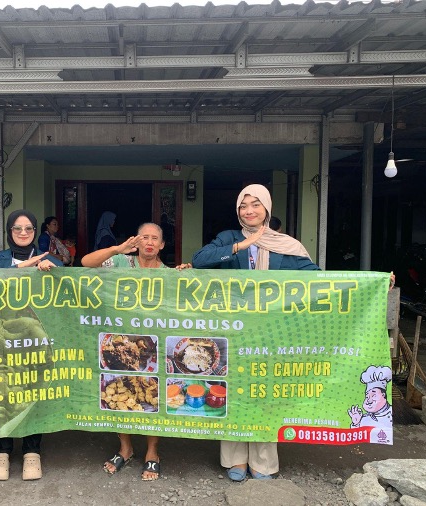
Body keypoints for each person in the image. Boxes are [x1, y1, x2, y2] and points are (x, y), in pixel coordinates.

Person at [191, 184, 319, 481]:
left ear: (267, 208)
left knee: (264, 393)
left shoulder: (287, 245)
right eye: (243, 205)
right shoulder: (228, 238)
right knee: (233, 390)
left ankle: (263, 462)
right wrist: (242, 246)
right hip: (233, 330)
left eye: (255, 204)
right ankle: (235, 460)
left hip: (270, 333)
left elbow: (318, 280)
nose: (249, 211)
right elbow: (199, 260)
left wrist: (372, 281)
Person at [82, 222, 190, 481]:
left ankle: (152, 451)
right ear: (136, 241)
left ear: (162, 245)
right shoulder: (120, 262)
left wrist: (187, 277)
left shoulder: (169, 274)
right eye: (144, 238)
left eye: (154, 239)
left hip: (152, 345)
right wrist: (117, 249)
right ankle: (125, 448)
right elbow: (86, 263)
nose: (149, 242)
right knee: (120, 390)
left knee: (153, 394)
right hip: (121, 342)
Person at [0, 210, 61, 481]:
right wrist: (23, 270)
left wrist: (51, 273)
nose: (23, 233)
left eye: (28, 228)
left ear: (35, 231)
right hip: (2, 334)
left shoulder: (49, 259)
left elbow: (66, 290)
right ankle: (1, 451)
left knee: (32, 389)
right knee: (2, 391)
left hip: (36, 336)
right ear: (9, 231)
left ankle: (32, 451)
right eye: (17, 228)